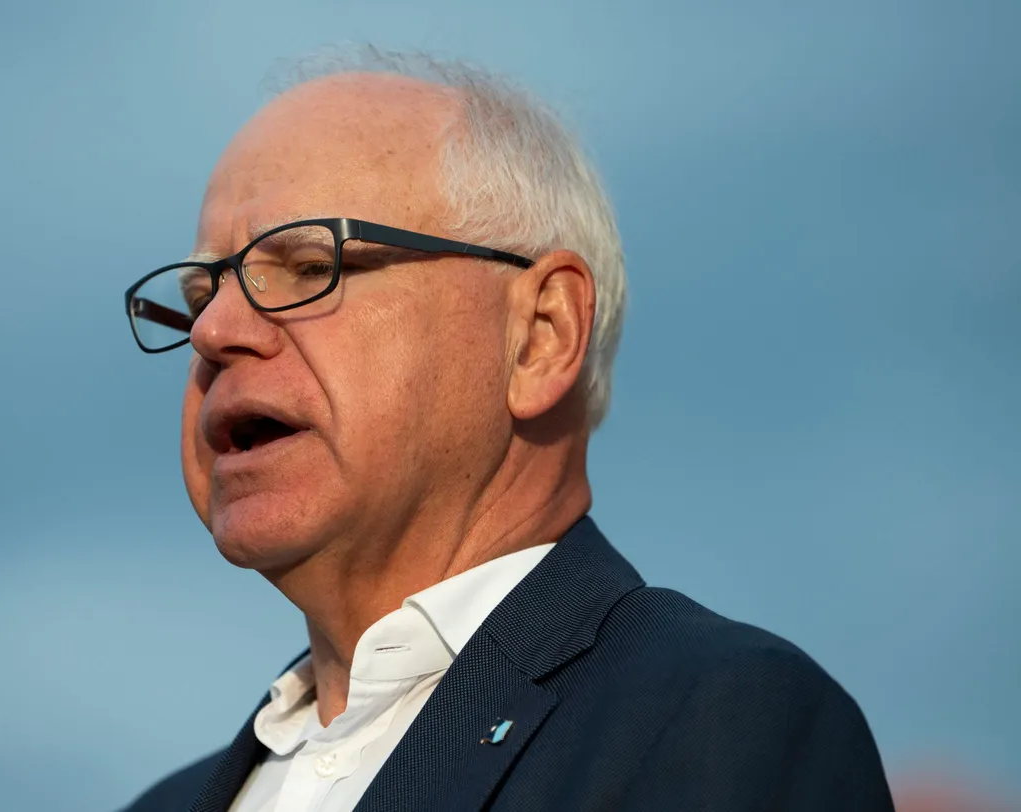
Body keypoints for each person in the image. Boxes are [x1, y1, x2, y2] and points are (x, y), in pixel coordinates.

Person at [119, 47, 894, 812]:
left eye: (307, 264)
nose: (213, 331)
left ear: (540, 335)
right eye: (199, 294)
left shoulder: (711, 722)